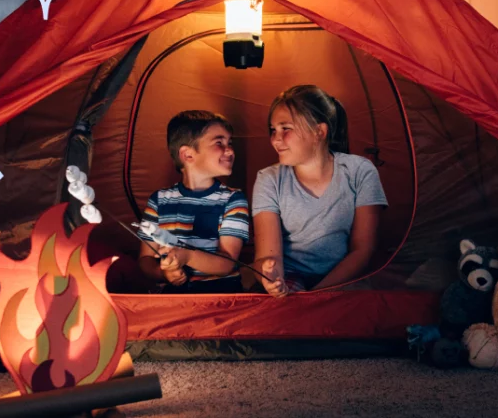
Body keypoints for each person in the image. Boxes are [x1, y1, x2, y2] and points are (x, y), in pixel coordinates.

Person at [252, 84, 388, 297]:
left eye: (285, 128)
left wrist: (316, 296)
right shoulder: (269, 179)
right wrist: (270, 277)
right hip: (291, 278)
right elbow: (268, 257)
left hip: (345, 276)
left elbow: (362, 251)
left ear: (319, 132)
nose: (276, 139)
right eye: (273, 130)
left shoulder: (360, 171)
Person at [137, 110, 249, 294]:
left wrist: (186, 256)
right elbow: (145, 259)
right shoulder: (158, 201)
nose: (229, 150)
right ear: (188, 155)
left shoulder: (233, 199)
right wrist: (164, 273)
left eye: (230, 143)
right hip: (172, 296)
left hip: (220, 294)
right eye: (219, 143)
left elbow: (228, 262)